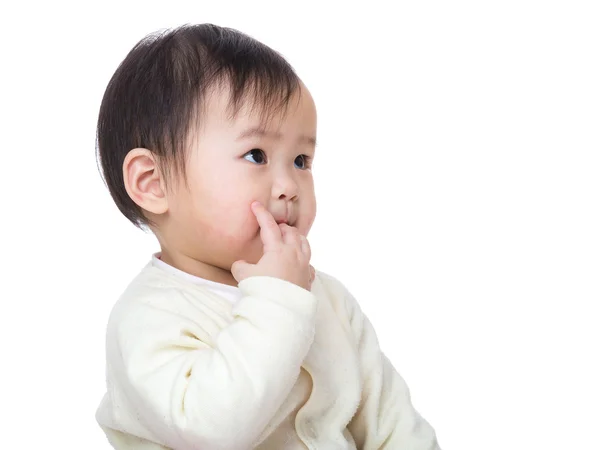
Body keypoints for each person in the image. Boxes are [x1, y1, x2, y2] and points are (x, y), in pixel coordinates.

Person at [95, 23, 441, 450]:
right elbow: (212, 428)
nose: (289, 186)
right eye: (256, 155)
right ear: (153, 182)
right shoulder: (148, 319)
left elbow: (391, 424)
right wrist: (276, 297)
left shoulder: (327, 300)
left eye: (301, 159)